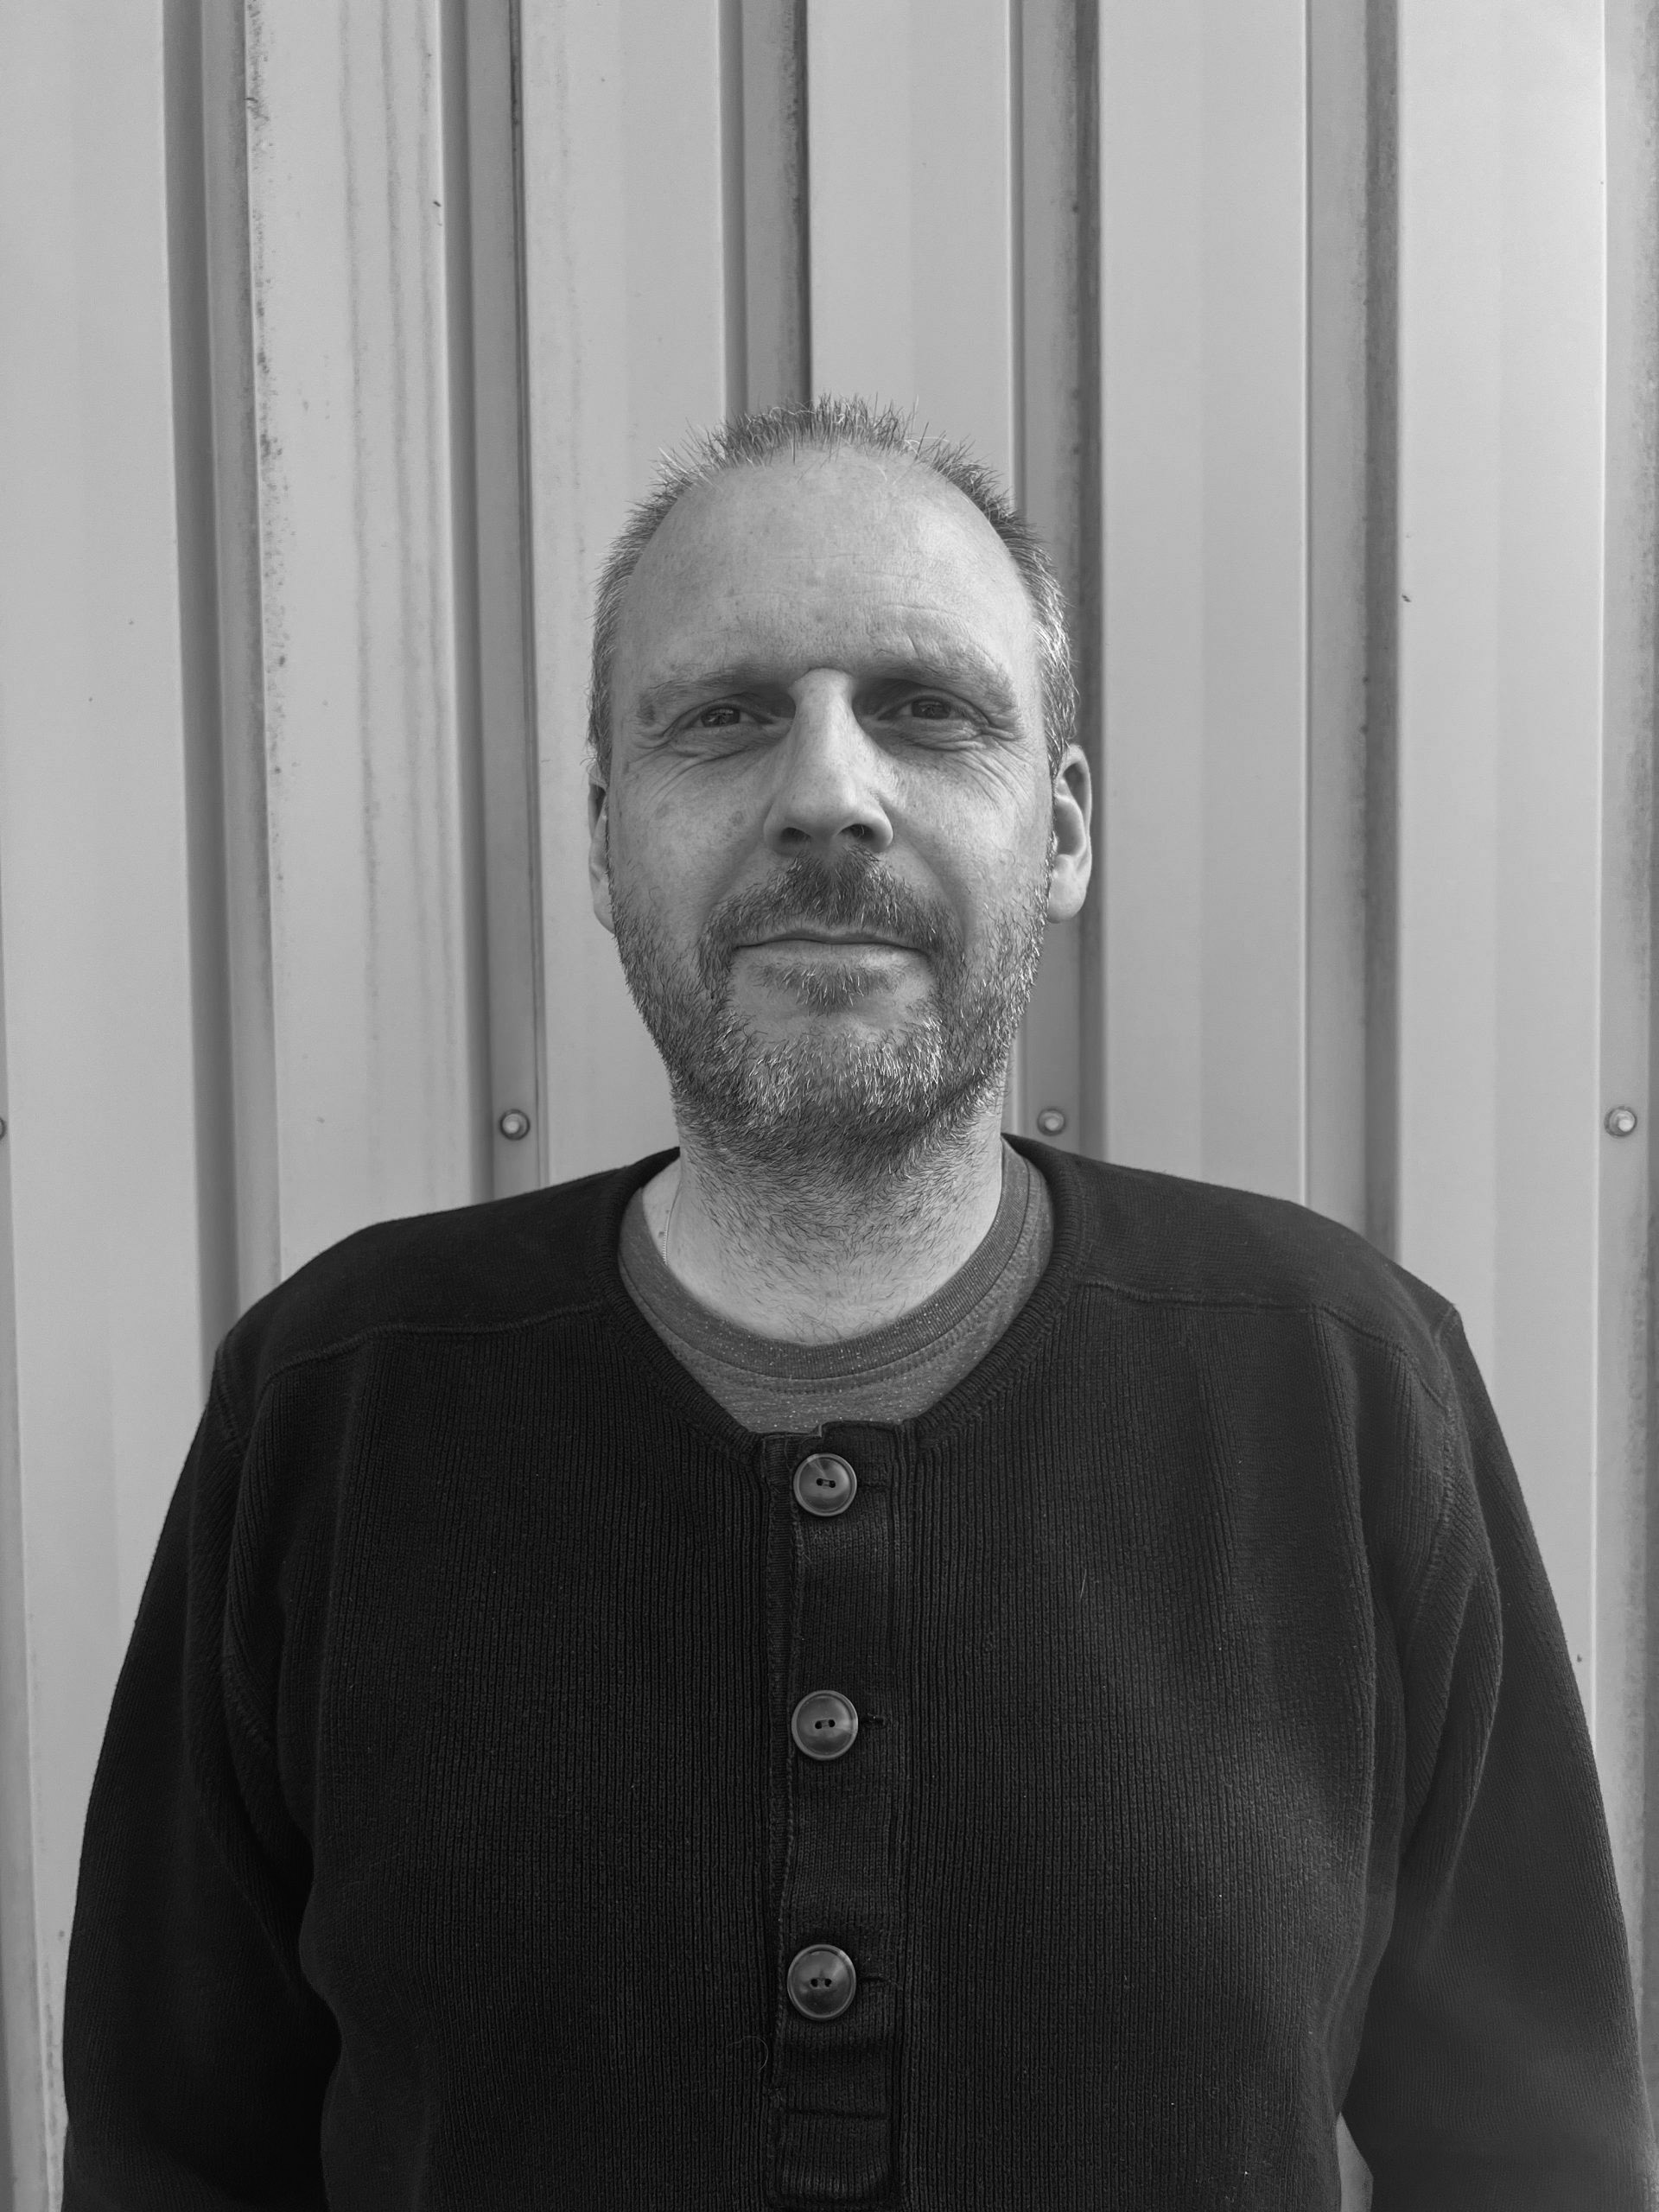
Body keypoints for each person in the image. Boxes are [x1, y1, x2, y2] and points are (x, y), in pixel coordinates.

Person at [63, 395, 1656, 2209]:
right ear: (603, 833)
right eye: (725, 716)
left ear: (1062, 828)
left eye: (928, 709)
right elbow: (169, 2158)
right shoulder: (333, 1405)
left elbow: (1539, 2166)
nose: (828, 791)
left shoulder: (1346, 1387)